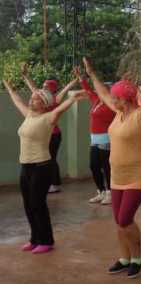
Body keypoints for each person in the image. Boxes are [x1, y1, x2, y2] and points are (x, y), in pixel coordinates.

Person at [83, 58, 141, 279]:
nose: (112, 99)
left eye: (116, 97)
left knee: (125, 219)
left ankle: (137, 257)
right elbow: (103, 93)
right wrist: (92, 73)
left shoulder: (140, 115)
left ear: (125, 99)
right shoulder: (118, 112)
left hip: (137, 177)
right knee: (118, 222)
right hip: (117, 177)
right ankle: (124, 257)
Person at [3, 78, 83, 254]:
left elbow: (62, 107)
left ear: (45, 103)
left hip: (42, 166)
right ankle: (34, 238)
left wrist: (74, 97)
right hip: (26, 166)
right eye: (32, 98)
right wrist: (8, 86)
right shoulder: (29, 115)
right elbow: (16, 100)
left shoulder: (49, 117)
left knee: (38, 203)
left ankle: (46, 240)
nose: (32, 101)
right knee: (28, 204)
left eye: (36, 99)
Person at [21, 63, 78, 193]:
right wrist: (25, 75)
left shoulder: (55, 99)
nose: (43, 87)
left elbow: (66, 88)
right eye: (43, 85)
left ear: (52, 89)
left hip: (53, 134)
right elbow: (32, 87)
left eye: (46, 86)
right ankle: (52, 183)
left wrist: (76, 79)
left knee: (50, 159)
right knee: (48, 159)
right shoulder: (39, 97)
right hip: (43, 134)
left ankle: (54, 183)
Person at [75, 67, 116, 205]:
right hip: (94, 140)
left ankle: (110, 193)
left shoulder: (112, 105)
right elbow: (87, 89)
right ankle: (101, 191)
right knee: (93, 166)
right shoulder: (96, 101)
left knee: (107, 167)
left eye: (102, 89)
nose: (98, 91)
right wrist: (81, 77)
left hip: (106, 140)